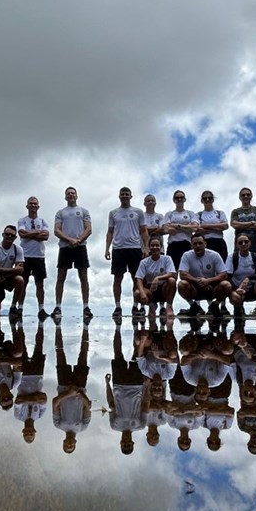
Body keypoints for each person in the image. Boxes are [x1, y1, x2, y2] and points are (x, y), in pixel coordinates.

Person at [105, 187, 149, 319]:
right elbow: (110, 231)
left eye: (127, 194)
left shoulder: (138, 212)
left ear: (131, 196)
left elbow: (143, 231)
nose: (124, 196)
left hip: (135, 248)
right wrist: (107, 248)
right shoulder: (113, 213)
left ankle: (136, 306)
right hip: (118, 248)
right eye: (122, 194)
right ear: (119, 196)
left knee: (136, 279)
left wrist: (146, 247)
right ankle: (118, 307)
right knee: (117, 278)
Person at [52, 187, 93, 321]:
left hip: (80, 247)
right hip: (65, 247)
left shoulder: (83, 211)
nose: (71, 195)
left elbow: (89, 229)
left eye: (73, 193)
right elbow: (57, 230)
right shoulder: (60, 212)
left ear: (76, 196)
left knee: (83, 277)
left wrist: (79, 240)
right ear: (65, 197)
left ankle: (86, 307)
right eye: (68, 193)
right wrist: (69, 240)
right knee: (61, 276)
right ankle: (58, 306)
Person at [105, 326, 145, 454]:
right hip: (136, 385)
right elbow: (145, 404)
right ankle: (136, 327)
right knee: (137, 353)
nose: (126, 443)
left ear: (121, 443)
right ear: (132, 443)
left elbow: (111, 404)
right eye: (129, 445)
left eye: (124, 445)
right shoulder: (140, 425)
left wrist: (107, 384)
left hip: (119, 384)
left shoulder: (114, 426)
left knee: (117, 353)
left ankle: (117, 327)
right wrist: (147, 386)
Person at [52, 325, 92, 452]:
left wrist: (69, 393)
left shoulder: (58, 425)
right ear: (75, 443)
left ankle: (58, 326)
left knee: (59, 351)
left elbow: (55, 403)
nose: (69, 444)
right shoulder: (83, 427)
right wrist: (80, 394)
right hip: (80, 386)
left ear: (63, 442)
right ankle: (86, 327)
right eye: (71, 446)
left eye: (66, 446)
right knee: (84, 353)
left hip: (63, 385)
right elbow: (88, 406)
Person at [177, 231, 231, 318]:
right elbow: (182, 274)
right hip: (195, 287)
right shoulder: (186, 255)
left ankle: (215, 305)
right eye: (195, 244)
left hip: (211, 287)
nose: (198, 246)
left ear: (205, 244)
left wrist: (209, 281)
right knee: (182, 284)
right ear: (191, 245)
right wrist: (199, 281)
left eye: (200, 243)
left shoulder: (214, 255)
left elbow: (224, 274)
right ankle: (193, 305)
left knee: (227, 285)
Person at [17, 196, 50, 320]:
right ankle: (20, 308)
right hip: (25, 256)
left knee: (40, 284)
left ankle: (41, 309)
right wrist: (38, 233)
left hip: (39, 256)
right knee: (23, 284)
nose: (33, 206)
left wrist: (29, 234)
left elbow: (46, 236)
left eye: (35, 204)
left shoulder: (43, 222)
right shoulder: (22, 221)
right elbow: (22, 234)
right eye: (31, 204)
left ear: (38, 206)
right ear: (27, 206)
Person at [225, 234, 256, 316]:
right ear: (237, 245)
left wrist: (249, 278)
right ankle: (238, 307)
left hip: (254, 288)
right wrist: (236, 289)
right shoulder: (232, 257)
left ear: (250, 243)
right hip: (238, 288)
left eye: (246, 241)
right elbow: (227, 276)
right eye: (240, 242)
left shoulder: (255, 256)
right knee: (235, 298)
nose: (243, 244)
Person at [0, 226, 26, 318]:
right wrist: (13, 270)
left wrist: (5, 273)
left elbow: (20, 270)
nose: (9, 237)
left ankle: (13, 306)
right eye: (7, 234)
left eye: (12, 235)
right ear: (3, 235)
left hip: (7, 277)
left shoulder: (18, 249)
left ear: (15, 238)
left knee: (20, 280)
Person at [133, 236, 177, 317]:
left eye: (157, 245)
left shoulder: (167, 259)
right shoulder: (144, 262)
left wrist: (157, 278)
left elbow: (171, 273)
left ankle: (169, 307)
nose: (155, 247)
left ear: (161, 247)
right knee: (137, 292)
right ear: (149, 247)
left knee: (172, 281)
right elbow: (139, 278)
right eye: (152, 246)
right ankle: (151, 305)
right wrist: (142, 293)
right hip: (151, 289)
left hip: (164, 288)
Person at [162, 190, 199, 269]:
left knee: (189, 271)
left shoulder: (190, 213)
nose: (179, 199)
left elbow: (195, 228)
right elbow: (166, 229)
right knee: (172, 272)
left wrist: (176, 225)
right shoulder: (169, 214)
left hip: (187, 245)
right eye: (177, 198)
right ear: (174, 200)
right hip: (173, 246)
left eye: (181, 197)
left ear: (185, 199)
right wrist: (186, 227)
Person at [230, 188, 256, 255]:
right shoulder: (235, 211)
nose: (246, 196)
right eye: (243, 195)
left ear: (251, 196)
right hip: (240, 247)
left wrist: (242, 226)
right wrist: (251, 223)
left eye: (248, 194)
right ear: (240, 197)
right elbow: (235, 225)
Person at [197, 189, 229, 260]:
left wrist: (206, 226)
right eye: (205, 198)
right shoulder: (198, 215)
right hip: (205, 243)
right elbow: (197, 229)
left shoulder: (220, 213)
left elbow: (225, 226)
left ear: (213, 200)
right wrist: (217, 226)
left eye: (210, 198)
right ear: (202, 201)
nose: (207, 200)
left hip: (219, 242)